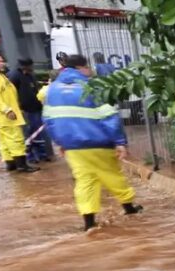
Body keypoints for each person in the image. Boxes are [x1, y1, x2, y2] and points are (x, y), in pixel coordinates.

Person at [43, 54, 143, 231]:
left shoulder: (53, 89)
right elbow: (109, 116)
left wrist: (60, 142)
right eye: (88, 67)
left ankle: (89, 223)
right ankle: (130, 209)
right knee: (112, 175)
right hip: (98, 141)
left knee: (85, 181)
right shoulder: (91, 86)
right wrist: (120, 141)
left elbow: (49, 119)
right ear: (81, 68)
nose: (90, 70)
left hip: (72, 146)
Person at [0, 53, 38, 173]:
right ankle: (21, 165)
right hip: (5, 115)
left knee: (5, 141)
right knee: (16, 139)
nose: (1, 63)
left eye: (2, 61)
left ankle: (11, 164)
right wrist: (7, 110)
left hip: (2, 115)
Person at [7, 58, 54, 163]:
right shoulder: (14, 76)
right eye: (30, 66)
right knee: (27, 134)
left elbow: (35, 90)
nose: (32, 68)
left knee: (37, 133)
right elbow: (10, 94)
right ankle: (30, 157)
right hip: (24, 110)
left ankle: (42, 154)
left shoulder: (30, 75)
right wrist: (16, 108)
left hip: (36, 108)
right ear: (24, 66)